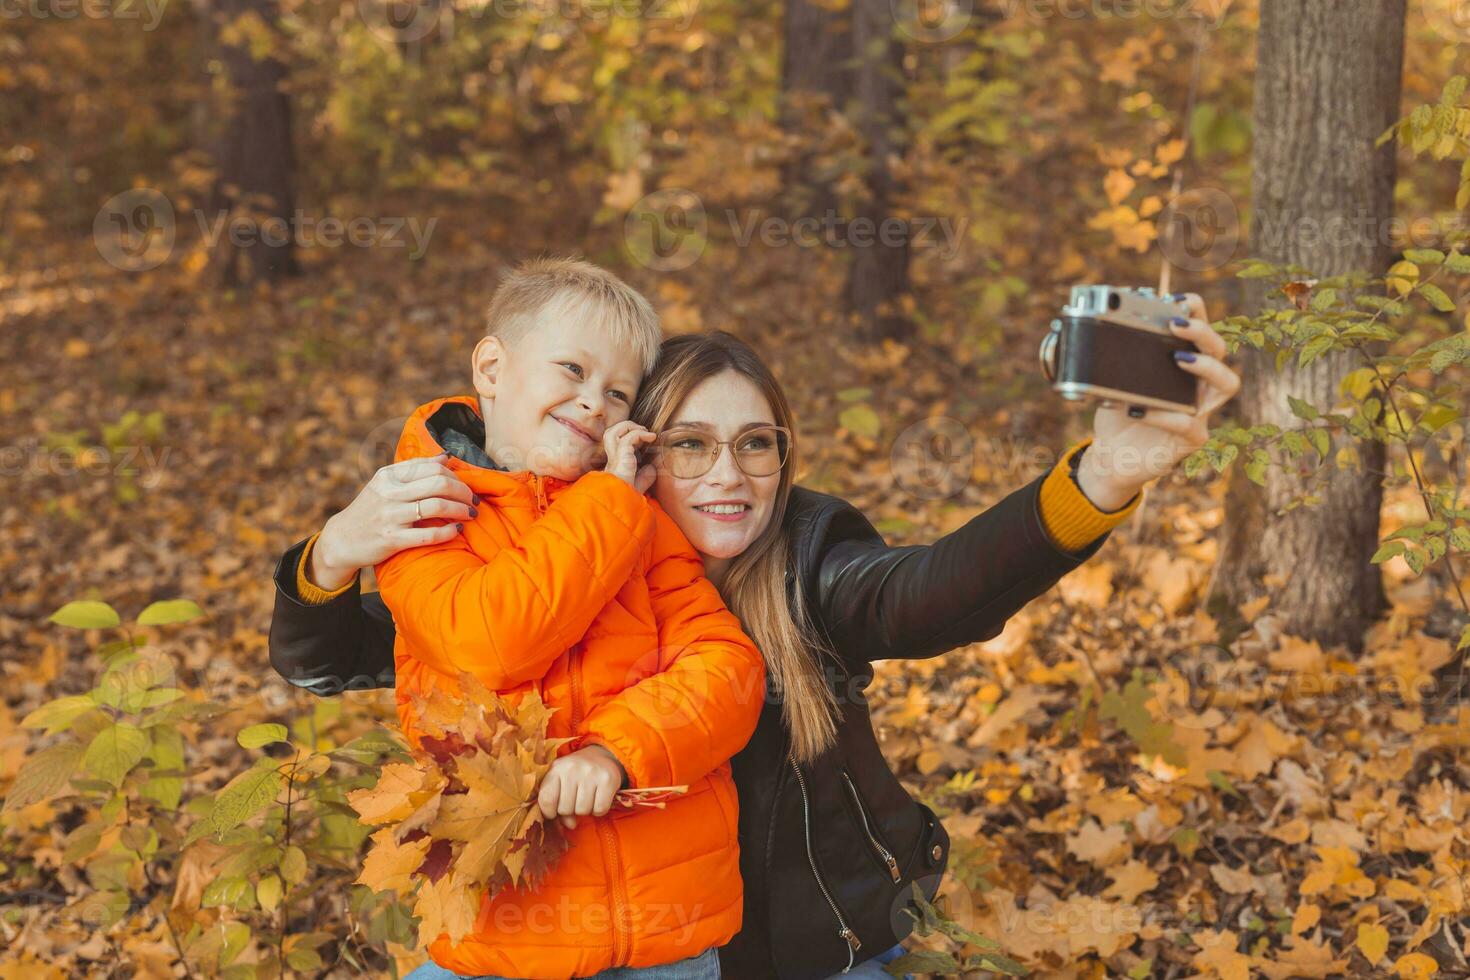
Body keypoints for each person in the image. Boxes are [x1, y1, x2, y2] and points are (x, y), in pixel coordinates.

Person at [270, 299, 1239, 979]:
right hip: (612, 950)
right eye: (689, 442)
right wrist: (333, 550)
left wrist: (1105, 475)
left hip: (816, 949)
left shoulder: (810, 557)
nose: (728, 473)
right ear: (627, 452)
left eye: (756, 441)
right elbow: (328, 658)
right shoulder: (550, 584)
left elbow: (935, 594)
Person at [365, 256, 767, 980]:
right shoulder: (423, 514)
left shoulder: (643, 527)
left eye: (617, 391)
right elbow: (488, 643)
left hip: (664, 937)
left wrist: (617, 751)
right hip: (508, 935)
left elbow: (729, 672)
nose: (594, 402)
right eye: (571, 370)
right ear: (492, 367)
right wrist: (608, 502)